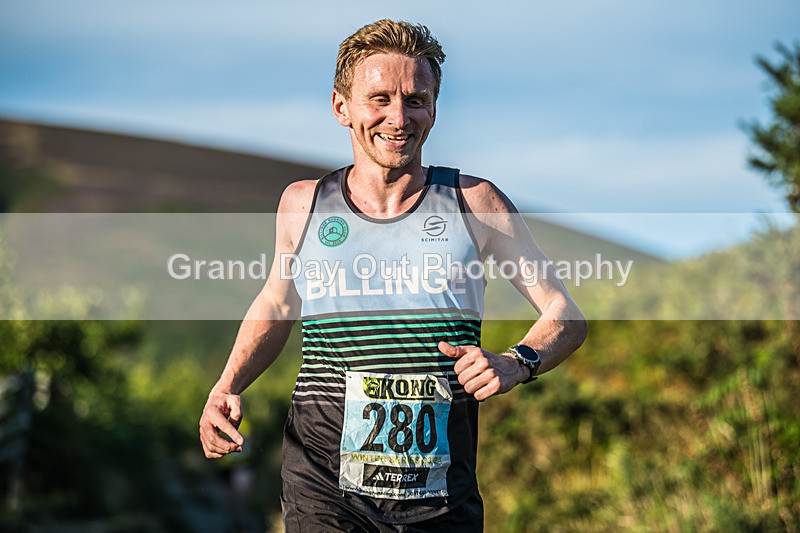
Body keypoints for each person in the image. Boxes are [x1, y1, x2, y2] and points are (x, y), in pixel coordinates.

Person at [199, 19, 587, 532]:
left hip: (439, 498)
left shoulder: (474, 203)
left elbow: (565, 313)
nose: (399, 118)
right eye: (379, 99)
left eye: (415, 100)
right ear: (341, 107)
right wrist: (227, 384)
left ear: (434, 109)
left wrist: (518, 363)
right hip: (323, 485)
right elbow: (278, 303)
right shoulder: (303, 204)